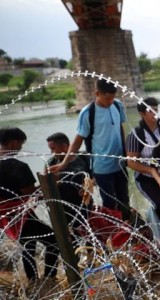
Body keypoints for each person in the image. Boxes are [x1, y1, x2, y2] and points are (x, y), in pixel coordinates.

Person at [49, 79, 131, 221]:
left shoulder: (117, 105)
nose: (110, 101)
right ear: (97, 93)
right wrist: (63, 164)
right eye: (107, 98)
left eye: (113, 97)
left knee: (124, 198)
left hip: (120, 163)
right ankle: (115, 234)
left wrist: (126, 152)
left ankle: (129, 230)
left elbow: (120, 128)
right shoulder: (88, 113)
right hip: (102, 167)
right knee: (109, 203)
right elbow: (77, 141)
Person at [0, 127, 59, 283]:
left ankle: (33, 281)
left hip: (5, 216)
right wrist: (50, 184)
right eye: (20, 144)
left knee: (28, 245)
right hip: (20, 213)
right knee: (54, 241)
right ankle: (49, 278)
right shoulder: (19, 167)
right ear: (13, 142)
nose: (20, 149)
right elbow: (30, 194)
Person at [125, 97, 160, 244]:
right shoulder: (137, 135)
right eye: (150, 110)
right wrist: (152, 171)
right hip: (146, 178)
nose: (155, 112)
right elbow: (131, 162)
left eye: (156, 108)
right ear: (142, 114)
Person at [45, 132, 92, 244]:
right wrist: (56, 183)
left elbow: (94, 176)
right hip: (64, 207)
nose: (51, 152)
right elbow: (47, 186)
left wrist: (88, 186)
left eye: (53, 148)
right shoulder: (52, 162)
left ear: (64, 146)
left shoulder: (83, 157)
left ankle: (91, 257)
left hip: (84, 203)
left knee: (90, 234)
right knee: (72, 238)